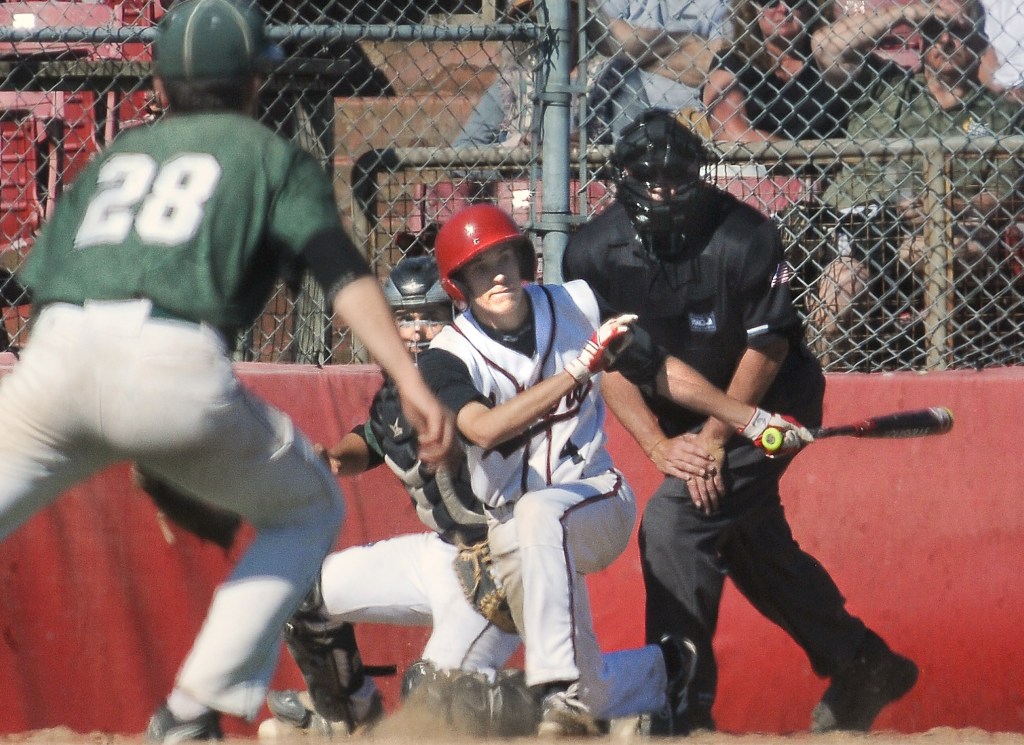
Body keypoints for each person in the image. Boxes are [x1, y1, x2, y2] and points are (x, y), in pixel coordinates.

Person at [0, 0, 453, 741]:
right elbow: (341, 273)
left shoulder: (119, 154)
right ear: (252, 81)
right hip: (170, 364)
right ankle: (190, 708)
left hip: (54, 355)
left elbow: (49, 276)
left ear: (161, 81)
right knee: (308, 509)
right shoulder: (267, 154)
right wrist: (406, 376)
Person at [562, 109, 918, 734]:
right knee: (748, 540)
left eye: (680, 177)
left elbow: (769, 347)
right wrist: (657, 444)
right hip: (676, 414)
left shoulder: (746, 234)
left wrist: (716, 438)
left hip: (769, 406)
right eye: (652, 177)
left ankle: (680, 705)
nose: (667, 189)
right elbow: (607, 362)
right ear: (623, 179)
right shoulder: (592, 250)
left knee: (676, 522)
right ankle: (863, 662)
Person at [417, 202, 813, 736]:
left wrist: (749, 418)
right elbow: (484, 430)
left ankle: (558, 692)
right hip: (508, 538)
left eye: (506, 258)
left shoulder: (576, 303)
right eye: (480, 267)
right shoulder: (445, 356)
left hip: (593, 501)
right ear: (458, 284)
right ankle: (666, 670)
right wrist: (580, 368)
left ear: (525, 261)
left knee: (540, 515)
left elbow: (657, 370)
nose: (498, 275)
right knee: (447, 688)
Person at [259, 256, 525, 739]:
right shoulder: (393, 394)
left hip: (501, 562)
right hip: (443, 554)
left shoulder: (479, 373)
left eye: (432, 316)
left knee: (431, 705)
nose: (419, 331)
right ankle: (348, 717)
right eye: (405, 318)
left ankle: (557, 699)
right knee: (303, 595)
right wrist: (335, 456)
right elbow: (377, 440)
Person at [810, 0, 1024, 367]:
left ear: (980, 41)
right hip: (856, 230)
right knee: (841, 285)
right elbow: (825, 47)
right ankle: (823, 387)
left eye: (958, 31)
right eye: (933, 30)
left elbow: (1002, 198)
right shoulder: (883, 88)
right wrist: (908, 14)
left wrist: (941, 206)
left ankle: (936, 365)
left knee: (960, 245)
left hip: (939, 233)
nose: (944, 41)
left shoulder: (1002, 115)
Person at [702, 0, 851, 144]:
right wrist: (801, 157)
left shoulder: (832, 62)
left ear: (812, 6)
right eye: (769, 1)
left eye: (793, 1)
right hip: (756, 168)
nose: (783, 8)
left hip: (833, 167)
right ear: (752, 9)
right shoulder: (732, 62)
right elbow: (730, 134)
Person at [585, 0, 730, 137]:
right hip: (622, 109)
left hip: (689, 117)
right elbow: (602, 34)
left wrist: (634, 51)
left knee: (621, 69)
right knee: (625, 79)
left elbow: (716, 63)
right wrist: (686, 42)